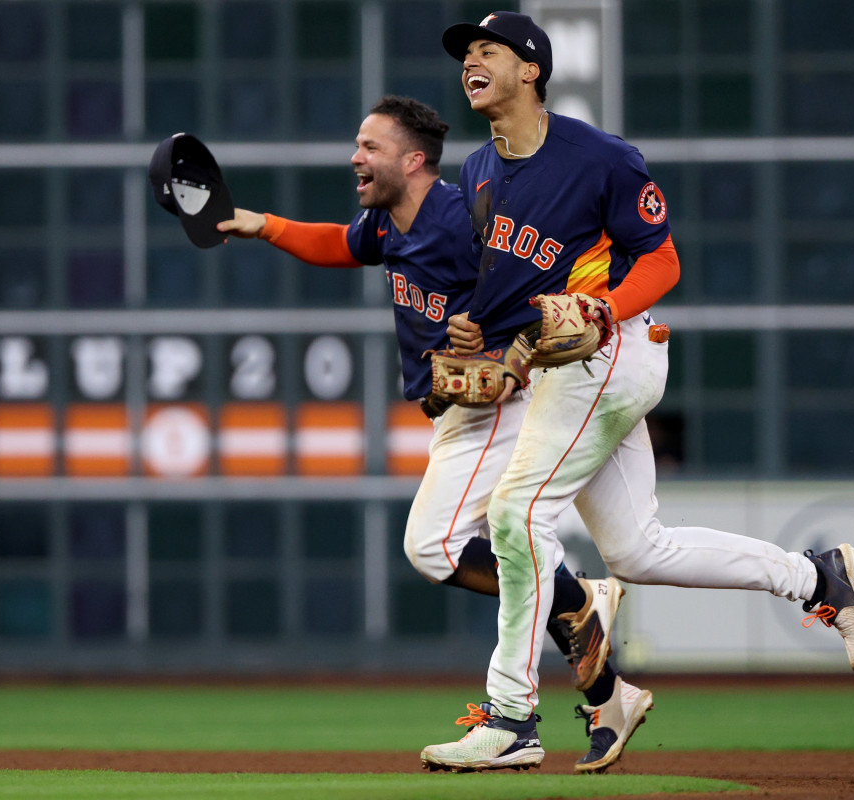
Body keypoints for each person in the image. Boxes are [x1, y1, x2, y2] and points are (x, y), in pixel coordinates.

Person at [419, 12, 854, 773]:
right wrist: (478, 338)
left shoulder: (597, 157)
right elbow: (507, 291)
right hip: (558, 367)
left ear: (530, 69)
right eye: (465, 52)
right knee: (636, 548)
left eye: (487, 49)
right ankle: (816, 577)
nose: (470, 59)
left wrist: (605, 308)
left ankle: (510, 716)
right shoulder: (478, 171)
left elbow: (661, 263)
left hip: (612, 350)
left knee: (514, 513)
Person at [215, 95, 651, 770]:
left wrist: (499, 344)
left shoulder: (458, 215)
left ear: (413, 160)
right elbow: (339, 243)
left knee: (436, 545)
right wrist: (261, 223)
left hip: (497, 400)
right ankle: (591, 650)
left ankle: (535, 679)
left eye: (370, 146)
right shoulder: (387, 224)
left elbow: (537, 275)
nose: (355, 157)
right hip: (453, 408)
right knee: (464, 545)